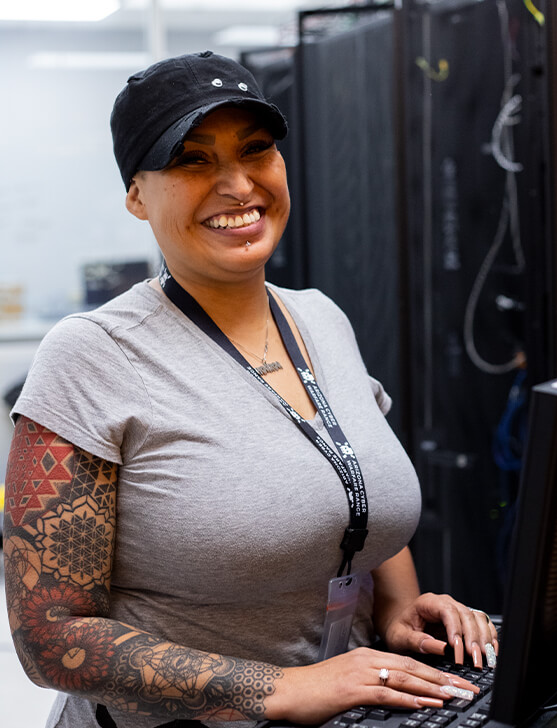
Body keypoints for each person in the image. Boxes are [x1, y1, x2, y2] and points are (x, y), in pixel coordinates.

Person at [3, 51, 498, 728]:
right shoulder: (94, 356)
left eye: (256, 150)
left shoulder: (321, 318)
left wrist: (396, 611)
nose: (238, 184)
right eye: (193, 159)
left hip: (352, 714)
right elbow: (51, 638)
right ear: (137, 195)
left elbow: (357, 493)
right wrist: (279, 689)